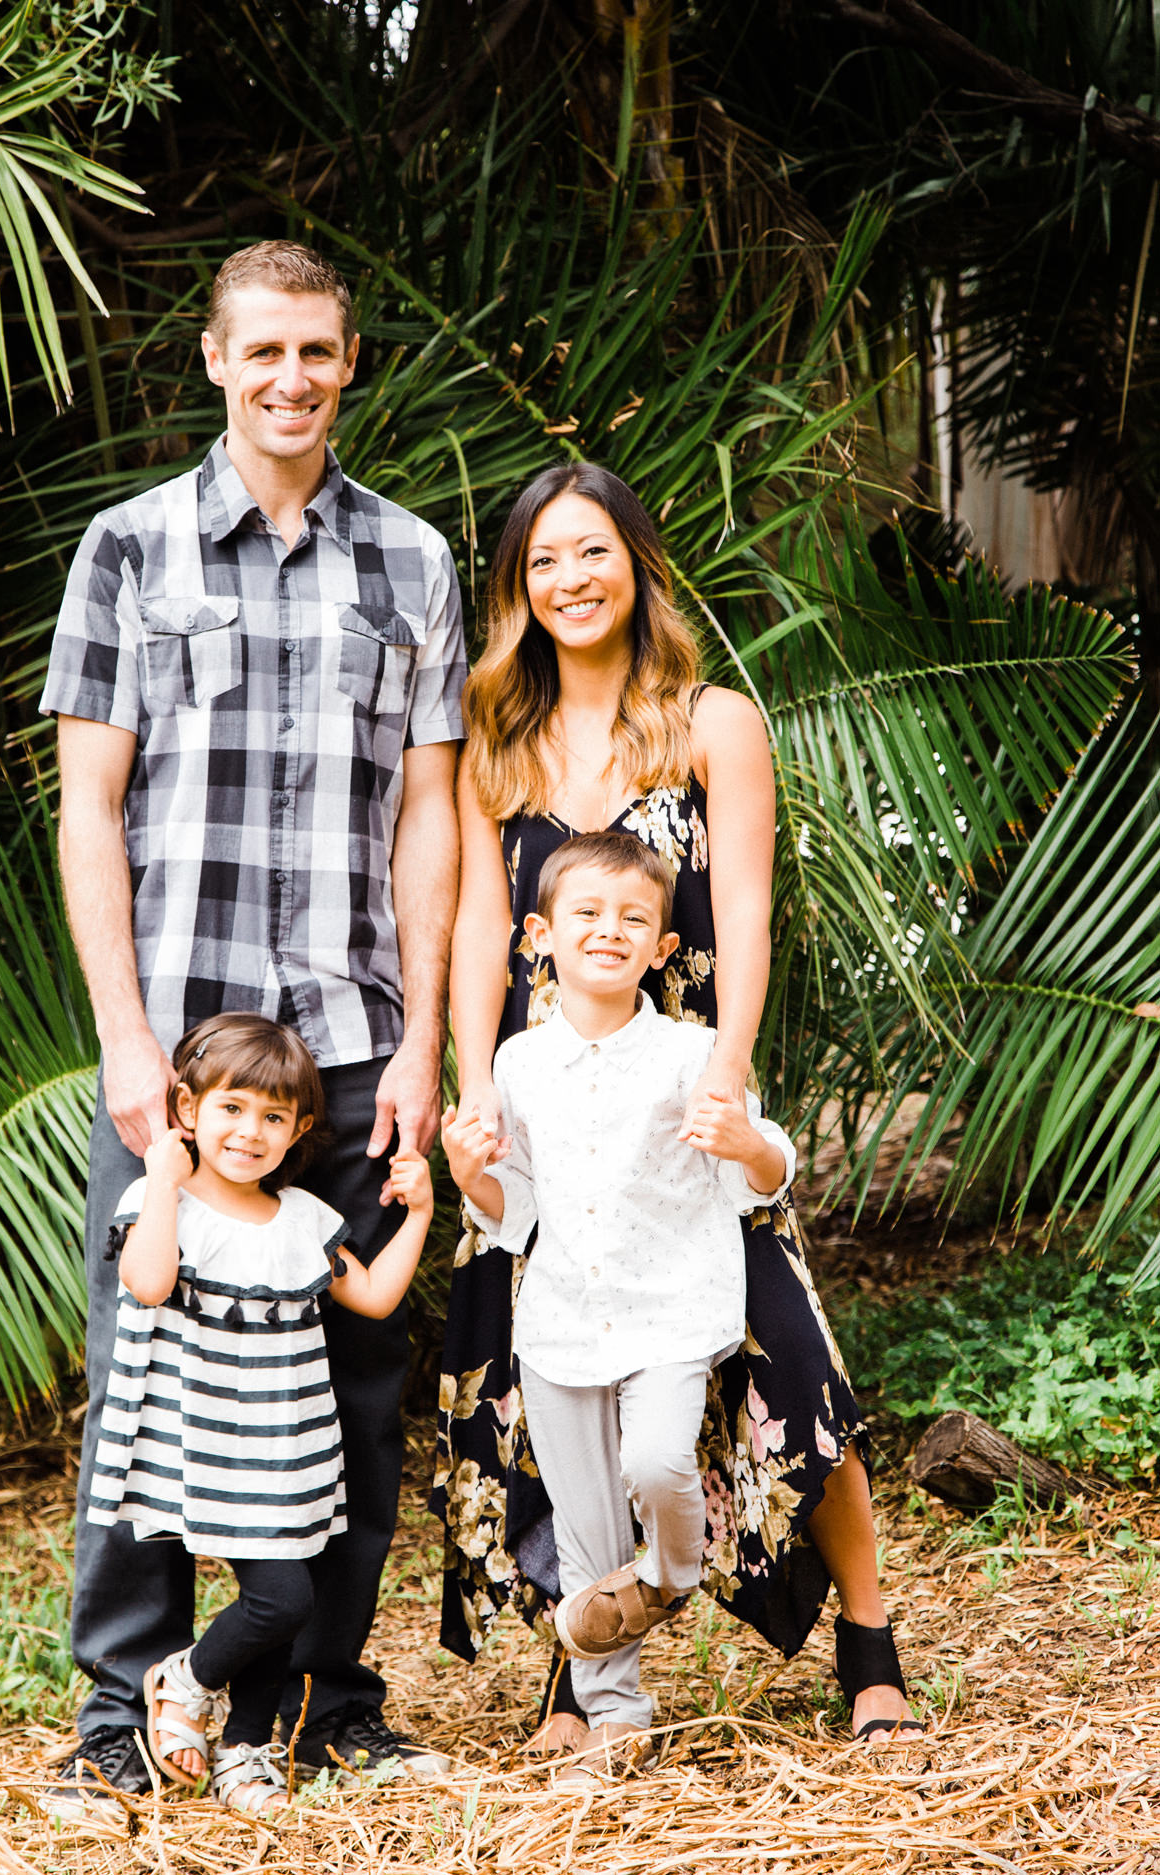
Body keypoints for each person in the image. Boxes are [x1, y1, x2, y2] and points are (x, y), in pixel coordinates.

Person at [42, 239, 466, 1802]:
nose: (292, 376)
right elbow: (91, 808)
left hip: (351, 1044)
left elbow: (428, 817)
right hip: (184, 1056)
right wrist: (122, 1033)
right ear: (214, 362)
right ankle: (117, 1718)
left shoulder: (412, 560)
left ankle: (321, 1704)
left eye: (319, 352)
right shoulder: (129, 547)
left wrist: (421, 1033)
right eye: (263, 350)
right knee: (140, 1364)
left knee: (353, 1392)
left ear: (349, 366)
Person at [433, 462, 925, 1759]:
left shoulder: (713, 720)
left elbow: (749, 907)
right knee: (546, 1386)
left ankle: (868, 1637)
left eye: (591, 552)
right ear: (516, 590)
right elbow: (480, 926)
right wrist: (468, 1082)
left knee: (787, 1364)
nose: (569, 581)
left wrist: (732, 1064)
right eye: (541, 562)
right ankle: (581, 1655)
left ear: (637, 565)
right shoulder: (499, 739)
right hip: (549, 1102)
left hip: (681, 1085)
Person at [441, 832, 797, 1779]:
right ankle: (615, 1718)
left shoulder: (693, 1052)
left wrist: (747, 1141)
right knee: (586, 1527)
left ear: (663, 948)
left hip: (673, 1309)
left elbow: (763, 1178)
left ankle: (673, 1573)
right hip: (559, 1322)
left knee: (654, 1459)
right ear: (540, 934)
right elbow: (511, 1212)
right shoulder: (515, 1065)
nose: (610, 931)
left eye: (634, 919)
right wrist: (469, 1175)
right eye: (587, 915)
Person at [85, 1012, 434, 1812]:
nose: (250, 1131)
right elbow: (146, 1279)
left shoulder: (304, 1219)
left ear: (300, 1129)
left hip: (287, 1444)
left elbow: (375, 1296)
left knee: (289, 1592)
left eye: (273, 1117)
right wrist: (165, 1178)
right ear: (187, 1110)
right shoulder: (160, 1198)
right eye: (231, 1109)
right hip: (205, 1444)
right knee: (284, 1599)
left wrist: (416, 1214)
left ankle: (246, 1750)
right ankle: (190, 1676)